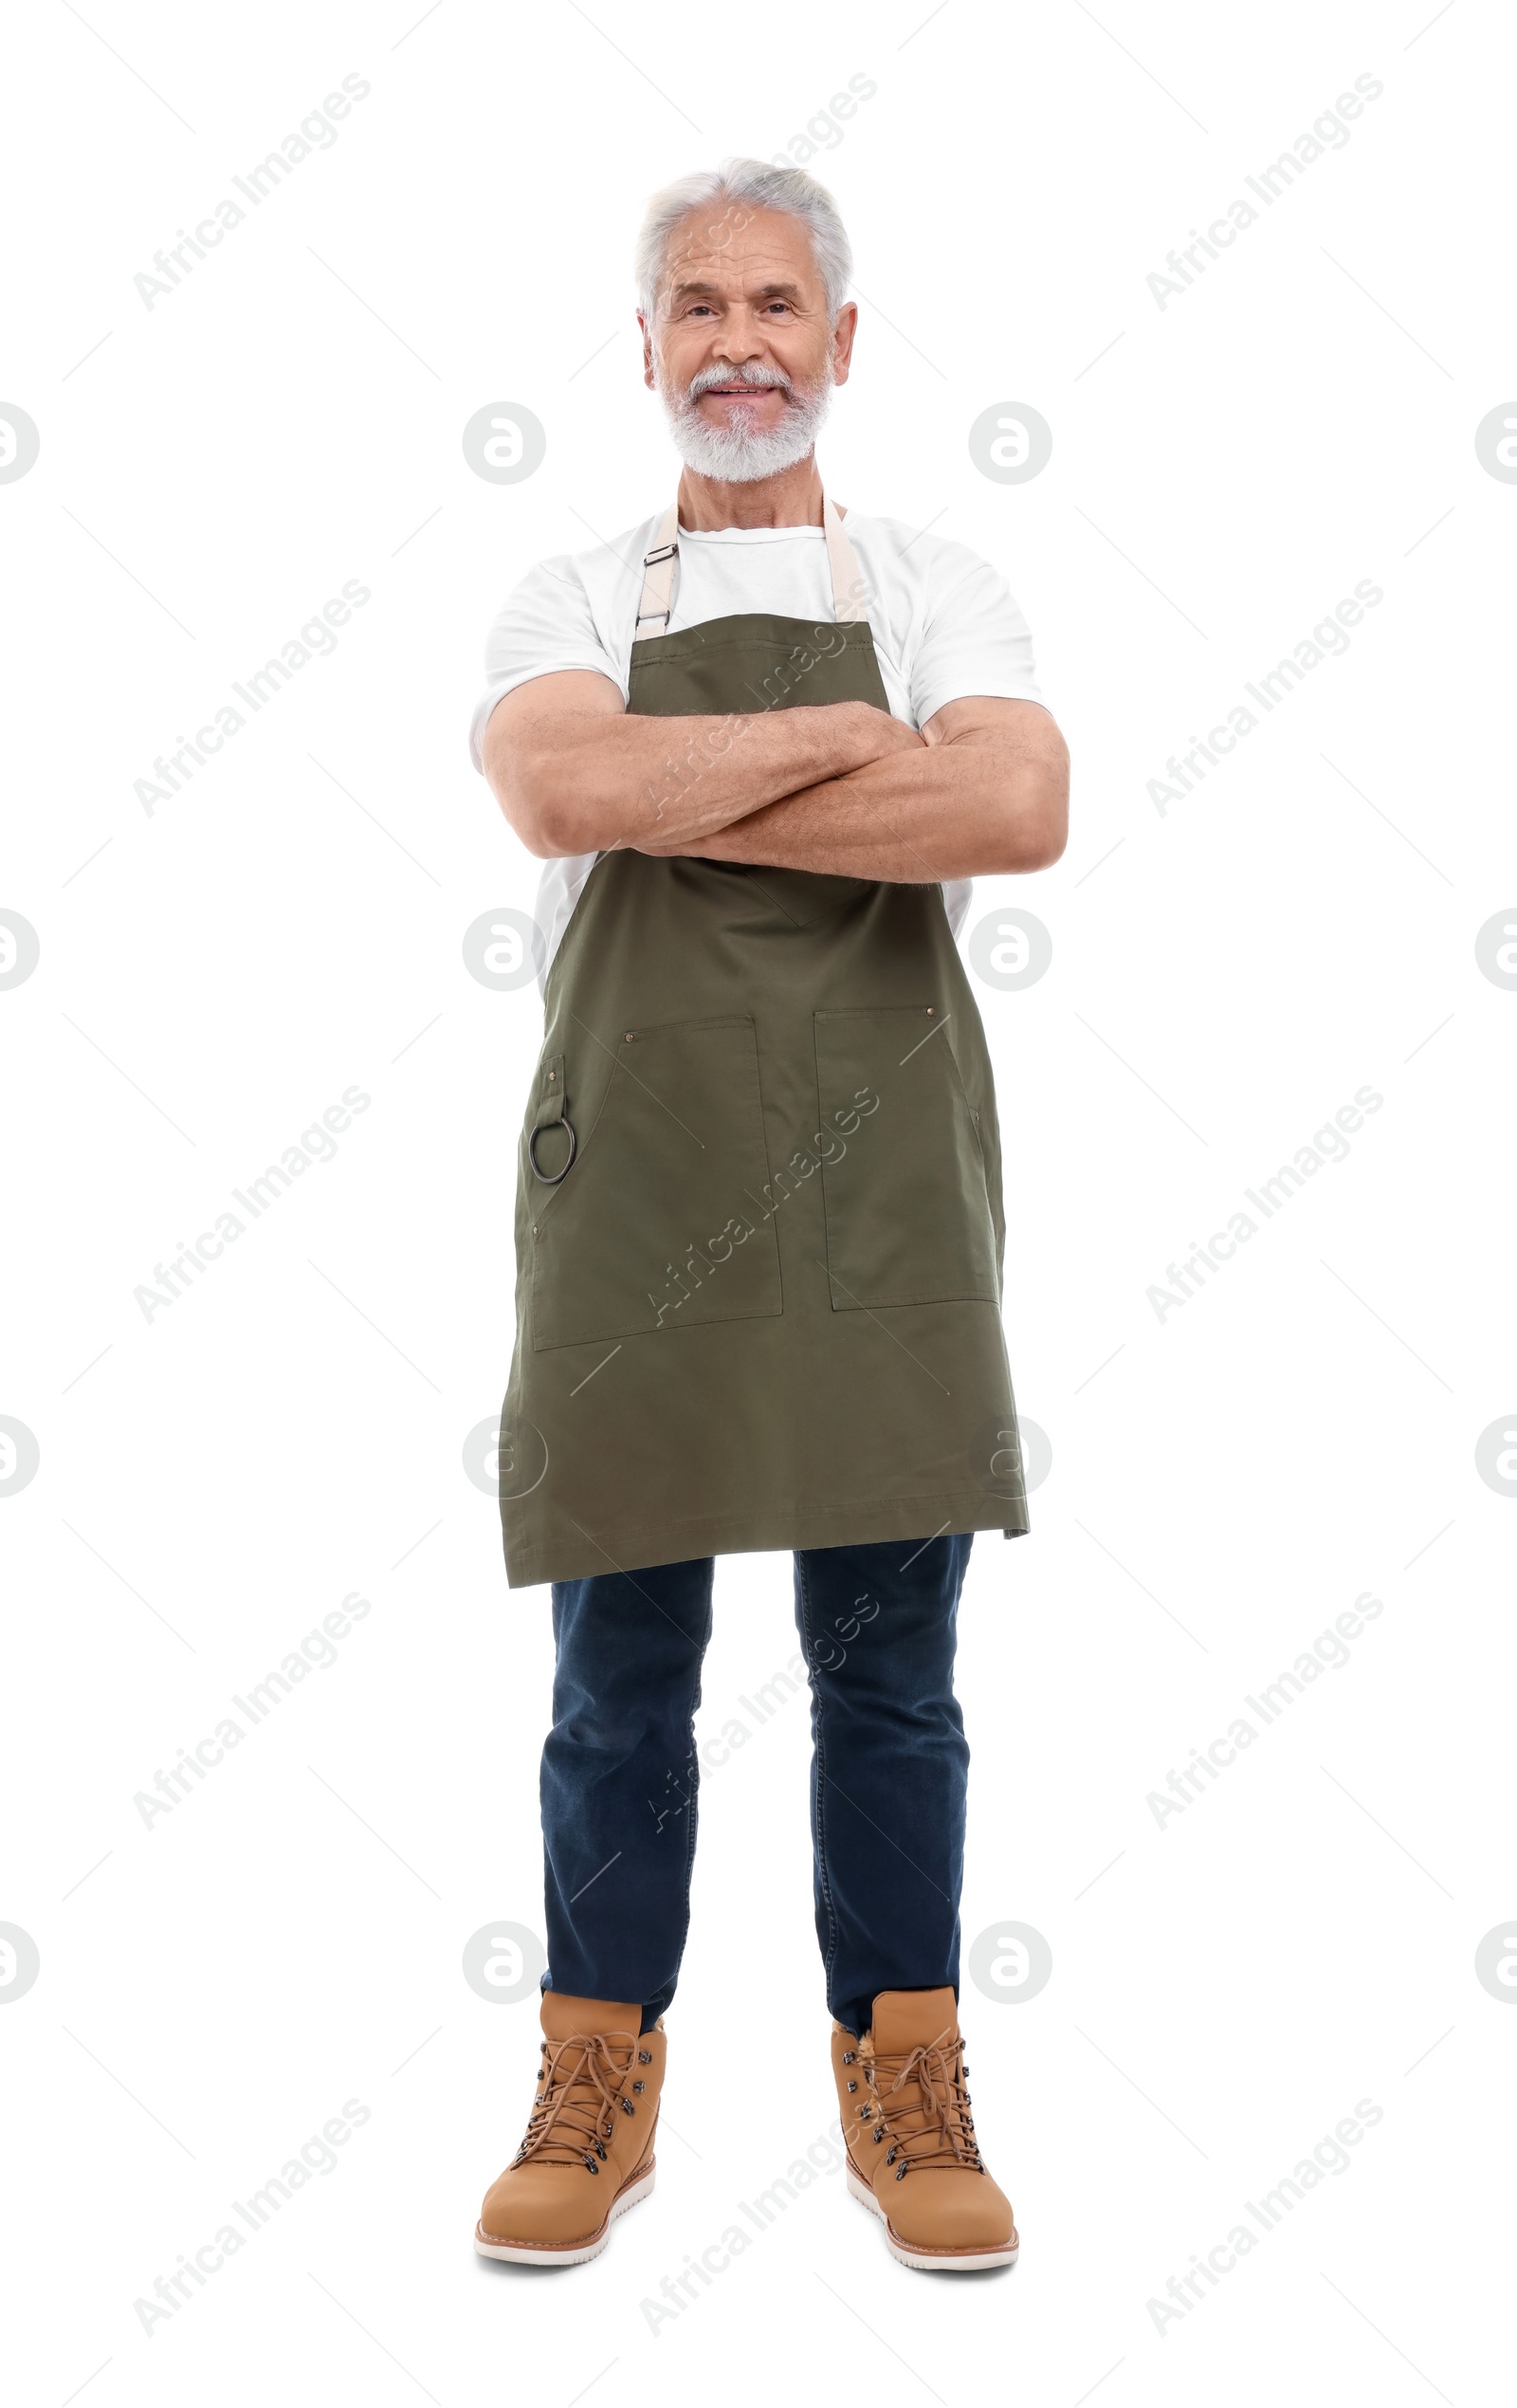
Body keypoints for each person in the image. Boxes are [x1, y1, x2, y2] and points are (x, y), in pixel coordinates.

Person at [467, 156, 1068, 2272]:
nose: (737, 340)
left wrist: (697, 774)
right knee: (617, 1679)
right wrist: (844, 748)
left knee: (886, 1673)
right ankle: (595, 2066)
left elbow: (1011, 800)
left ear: (839, 340)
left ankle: (902, 2078)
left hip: (879, 1205)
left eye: (775, 303)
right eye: (695, 304)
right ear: (644, 349)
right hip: (637, 1196)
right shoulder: (568, 601)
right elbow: (564, 790)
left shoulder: (933, 577)